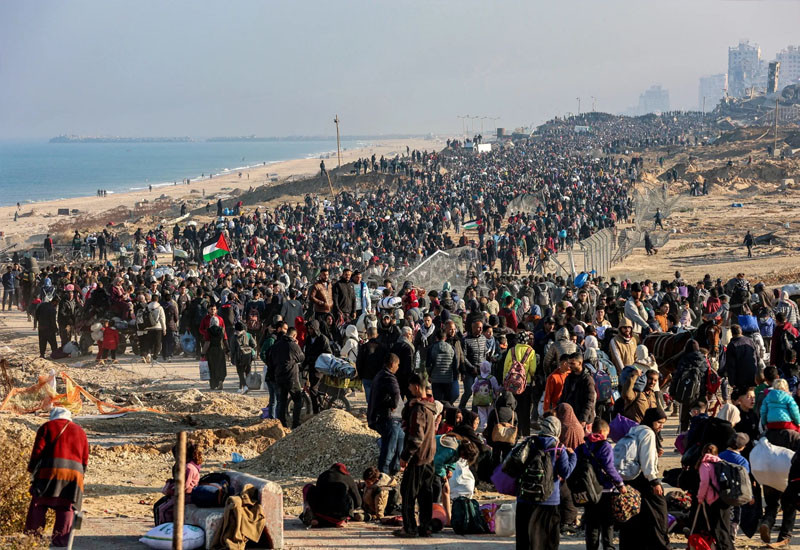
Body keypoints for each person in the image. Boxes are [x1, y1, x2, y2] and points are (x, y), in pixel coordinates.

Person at [25, 407, 89, 547]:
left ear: (53, 416)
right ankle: (61, 541)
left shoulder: (47, 427)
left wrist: (31, 469)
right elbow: (85, 459)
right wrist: (79, 476)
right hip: (74, 475)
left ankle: (32, 539)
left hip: (50, 470)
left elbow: (37, 451)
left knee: (39, 503)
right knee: (66, 506)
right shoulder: (80, 431)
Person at [515, 416, 577, 550]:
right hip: (549, 500)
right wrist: (573, 457)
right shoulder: (559, 449)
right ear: (557, 430)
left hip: (525, 498)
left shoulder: (528, 443)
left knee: (525, 541)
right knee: (548, 542)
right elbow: (565, 473)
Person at [617, 407, 671, 550]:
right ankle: (660, 544)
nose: (661, 426)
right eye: (659, 422)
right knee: (659, 511)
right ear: (652, 421)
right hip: (644, 478)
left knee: (636, 513)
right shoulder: (648, 433)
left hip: (631, 478)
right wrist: (654, 481)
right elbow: (647, 459)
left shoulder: (635, 429)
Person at [396, 373, 437, 538]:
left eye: (411, 386)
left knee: (408, 493)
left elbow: (416, 438)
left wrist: (405, 456)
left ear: (417, 387)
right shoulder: (429, 406)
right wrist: (409, 406)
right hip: (430, 456)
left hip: (418, 458)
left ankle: (410, 528)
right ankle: (425, 526)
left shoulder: (419, 410)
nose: (409, 388)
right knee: (426, 494)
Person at [577, 418, 627, 550]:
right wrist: (620, 483)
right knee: (607, 524)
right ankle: (608, 547)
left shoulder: (583, 446)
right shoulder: (605, 446)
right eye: (607, 433)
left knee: (591, 524)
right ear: (601, 431)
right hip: (604, 491)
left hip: (588, 491)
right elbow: (609, 468)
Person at [368, 353, 404, 475]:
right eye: (397, 365)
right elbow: (396, 393)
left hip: (382, 417)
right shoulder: (389, 377)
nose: (398, 367)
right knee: (389, 448)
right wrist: (393, 405)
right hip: (387, 418)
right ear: (392, 364)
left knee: (399, 441)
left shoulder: (379, 375)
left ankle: (394, 470)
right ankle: (384, 474)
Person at [695, 443, 734, 550]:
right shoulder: (722, 463)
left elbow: (704, 483)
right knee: (725, 528)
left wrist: (700, 497)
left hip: (713, 499)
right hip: (725, 498)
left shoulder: (705, 465)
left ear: (703, 452)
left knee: (717, 529)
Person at [153, 442, 202, 524]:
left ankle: (166, 532)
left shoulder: (188, 468)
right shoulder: (185, 465)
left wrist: (169, 490)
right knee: (157, 506)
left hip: (187, 496)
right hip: (181, 494)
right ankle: (158, 531)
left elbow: (183, 487)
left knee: (163, 510)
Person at [302, 463, 362, 527]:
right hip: (341, 515)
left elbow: (318, 495)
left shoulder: (323, 475)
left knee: (308, 487)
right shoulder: (348, 477)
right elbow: (358, 502)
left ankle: (315, 519)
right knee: (348, 496)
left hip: (321, 512)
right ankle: (341, 521)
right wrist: (350, 511)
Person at [270, 326, 305, 429]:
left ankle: (282, 424)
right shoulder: (293, 345)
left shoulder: (276, 345)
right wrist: (297, 346)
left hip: (279, 376)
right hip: (291, 377)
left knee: (282, 401)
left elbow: (271, 358)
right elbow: (302, 357)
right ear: (294, 335)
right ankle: (295, 424)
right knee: (298, 400)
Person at [558, 351, 596, 426]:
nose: (569, 366)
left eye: (572, 363)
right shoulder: (569, 378)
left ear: (580, 363)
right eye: (569, 363)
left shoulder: (587, 379)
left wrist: (583, 418)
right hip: (569, 416)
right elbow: (564, 396)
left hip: (582, 419)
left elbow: (590, 401)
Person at [483, 390, 518, 465]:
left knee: (495, 457)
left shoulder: (494, 411)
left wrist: (489, 439)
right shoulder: (513, 413)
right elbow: (516, 427)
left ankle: (495, 472)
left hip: (496, 439)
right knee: (506, 458)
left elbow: (490, 426)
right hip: (508, 440)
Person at [461, 319, 487, 410]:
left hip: (481, 371)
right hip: (469, 371)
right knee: (468, 391)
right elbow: (463, 356)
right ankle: (461, 408)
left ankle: (474, 413)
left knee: (478, 393)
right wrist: (472, 367)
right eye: (478, 327)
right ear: (473, 328)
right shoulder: (465, 340)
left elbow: (484, 354)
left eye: (481, 328)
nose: (480, 329)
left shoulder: (483, 339)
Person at [427, 329, 459, 404]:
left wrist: (429, 375)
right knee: (447, 401)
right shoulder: (452, 348)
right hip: (448, 379)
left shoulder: (432, 348)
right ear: (445, 338)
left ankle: (439, 415)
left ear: (436, 338)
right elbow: (455, 365)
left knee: (438, 402)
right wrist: (454, 377)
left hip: (436, 379)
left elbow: (428, 365)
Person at [724, 324, 758, 391]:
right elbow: (758, 357)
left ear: (731, 333)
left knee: (742, 397)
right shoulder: (750, 341)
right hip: (753, 375)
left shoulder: (732, 345)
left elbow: (731, 365)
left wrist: (731, 381)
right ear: (741, 331)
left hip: (740, 378)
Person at [356, 327, 385, 404]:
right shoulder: (382, 347)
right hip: (379, 376)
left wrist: (360, 375)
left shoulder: (363, 347)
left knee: (369, 400)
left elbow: (359, 362)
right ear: (377, 335)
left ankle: (371, 413)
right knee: (378, 399)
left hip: (366, 376)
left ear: (367, 335)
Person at [231, 321, 257, 393]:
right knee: (247, 372)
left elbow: (232, 349)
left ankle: (245, 386)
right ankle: (241, 387)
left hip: (239, 357)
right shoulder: (248, 335)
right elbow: (254, 344)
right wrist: (248, 348)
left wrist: (232, 358)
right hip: (248, 356)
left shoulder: (234, 337)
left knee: (240, 372)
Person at [205, 316, 228, 390]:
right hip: (220, 350)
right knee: (220, 366)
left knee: (212, 367)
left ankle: (213, 384)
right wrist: (228, 349)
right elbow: (225, 340)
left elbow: (207, 342)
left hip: (211, 350)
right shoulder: (222, 330)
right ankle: (220, 380)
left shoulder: (208, 331)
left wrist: (203, 352)